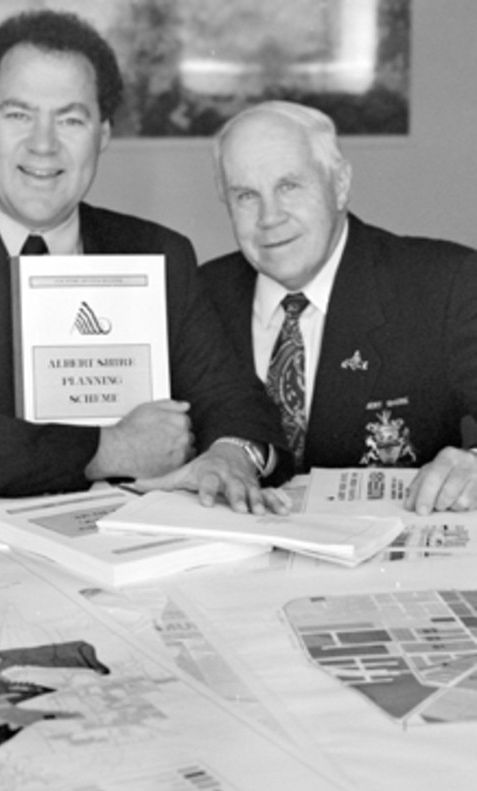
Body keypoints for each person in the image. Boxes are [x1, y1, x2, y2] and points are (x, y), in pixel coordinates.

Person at [0, 10, 290, 513]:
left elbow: (234, 402)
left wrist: (230, 456)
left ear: (102, 135)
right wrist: (110, 448)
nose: (43, 143)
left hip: (129, 550)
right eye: (18, 114)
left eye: (71, 119)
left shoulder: (160, 253)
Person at [200, 99, 477, 515]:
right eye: (245, 196)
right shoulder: (199, 295)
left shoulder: (446, 284)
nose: (269, 217)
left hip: (390, 568)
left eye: (289, 186)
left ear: (340, 183)